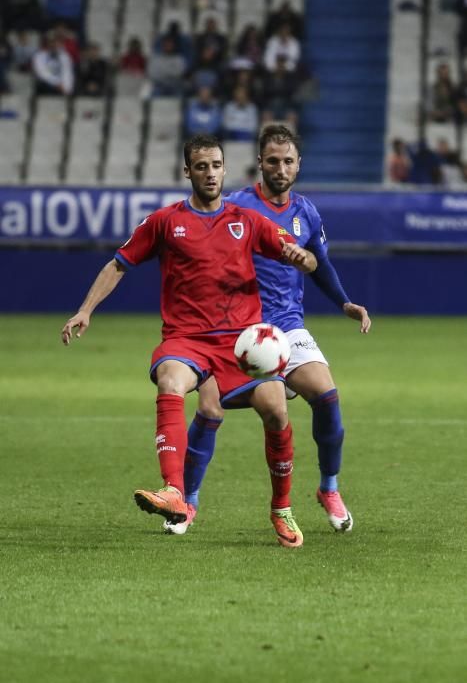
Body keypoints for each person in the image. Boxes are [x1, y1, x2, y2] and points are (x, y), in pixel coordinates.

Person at [61, 133, 318, 549]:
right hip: (187, 338)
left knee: (276, 412)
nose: (210, 173)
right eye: (201, 167)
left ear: (224, 169)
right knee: (170, 381)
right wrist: (86, 309)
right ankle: (174, 493)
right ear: (188, 172)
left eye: (216, 166)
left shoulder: (246, 220)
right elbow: (118, 264)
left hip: (241, 343)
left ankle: (281, 508)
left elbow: (297, 253)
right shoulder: (164, 221)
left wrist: (303, 258)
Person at [163, 124, 371, 537]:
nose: (280, 167)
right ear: (259, 163)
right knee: (209, 409)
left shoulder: (306, 213)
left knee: (327, 395)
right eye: (272, 160)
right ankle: (188, 501)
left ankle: (328, 487)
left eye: (288, 161)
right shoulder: (236, 206)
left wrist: (344, 301)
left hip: (287, 328)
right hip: (236, 329)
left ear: (298, 165)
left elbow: (320, 263)